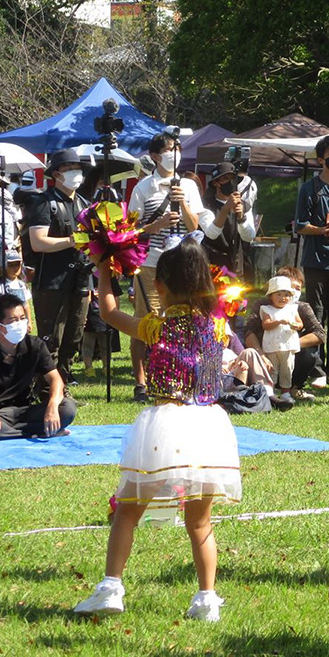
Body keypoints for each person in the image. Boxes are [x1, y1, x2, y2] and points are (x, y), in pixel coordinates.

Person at [73, 240, 241, 622]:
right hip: (208, 426)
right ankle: (206, 598)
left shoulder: (156, 326)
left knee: (128, 512)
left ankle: (111, 587)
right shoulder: (218, 326)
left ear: (162, 285)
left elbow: (110, 312)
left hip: (164, 424)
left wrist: (103, 269)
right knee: (199, 521)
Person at [126, 134, 206, 401]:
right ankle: (141, 381)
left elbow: (195, 226)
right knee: (146, 319)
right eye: (170, 149)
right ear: (156, 156)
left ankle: (175, 374)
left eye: (177, 148)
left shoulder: (188, 186)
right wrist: (156, 226)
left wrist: (182, 201)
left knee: (182, 319)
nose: (175, 153)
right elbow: (131, 230)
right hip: (150, 262)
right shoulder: (142, 188)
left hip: (182, 262)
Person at [0, 294, 76, 440]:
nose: (20, 323)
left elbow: (55, 379)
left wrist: (53, 406)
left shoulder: (35, 345)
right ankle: (35, 433)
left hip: (25, 410)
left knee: (68, 408)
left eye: (22, 318)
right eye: (13, 320)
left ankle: (11, 433)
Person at [293, 135, 329, 390]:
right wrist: (322, 231)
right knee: (316, 316)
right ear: (320, 159)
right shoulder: (309, 189)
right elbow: (299, 225)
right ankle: (316, 369)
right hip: (315, 262)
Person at [28, 149, 92, 386]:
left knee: (74, 336)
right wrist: (70, 241)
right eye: (68, 169)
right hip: (52, 281)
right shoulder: (44, 203)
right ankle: (45, 387)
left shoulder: (84, 203)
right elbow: (38, 242)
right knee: (51, 337)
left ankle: (63, 384)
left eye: (77, 168)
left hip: (81, 279)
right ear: (56, 173)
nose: (75, 173)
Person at [242, 265, 325, 403]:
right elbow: (248, 331)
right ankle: (267, 390)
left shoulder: (301, 307)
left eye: (297, 288)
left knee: (310, 352)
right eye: (286, 288)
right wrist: (261, 355)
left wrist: (289, 345)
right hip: (266, 351)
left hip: (290, 355)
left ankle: (294, 387)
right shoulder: (262, 305)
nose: (289, 293)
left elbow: (320, 334)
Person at [201, 161, 256, 277]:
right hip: (213, 265)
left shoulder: (244, 206)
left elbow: (249, 236)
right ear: (216, 183)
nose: (230, 183)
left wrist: (241, 217)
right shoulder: (206, 205)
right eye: (225, 179)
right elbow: (211, 233)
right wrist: (226, 208)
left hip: (237, 264)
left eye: (233, 179)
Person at [259, 275, 302, 402]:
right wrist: (278, 322)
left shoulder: (292, 309)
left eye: (286, 295)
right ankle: (271, 393)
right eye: (279, 294)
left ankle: (285, 393)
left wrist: (296, 325)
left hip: (288, 345)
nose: (283, 298)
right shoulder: (266, 309)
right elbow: (265, 325)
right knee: (272, 369)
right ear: (271, 296)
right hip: (272, 345)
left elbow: (300, 324)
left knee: (287, 369)